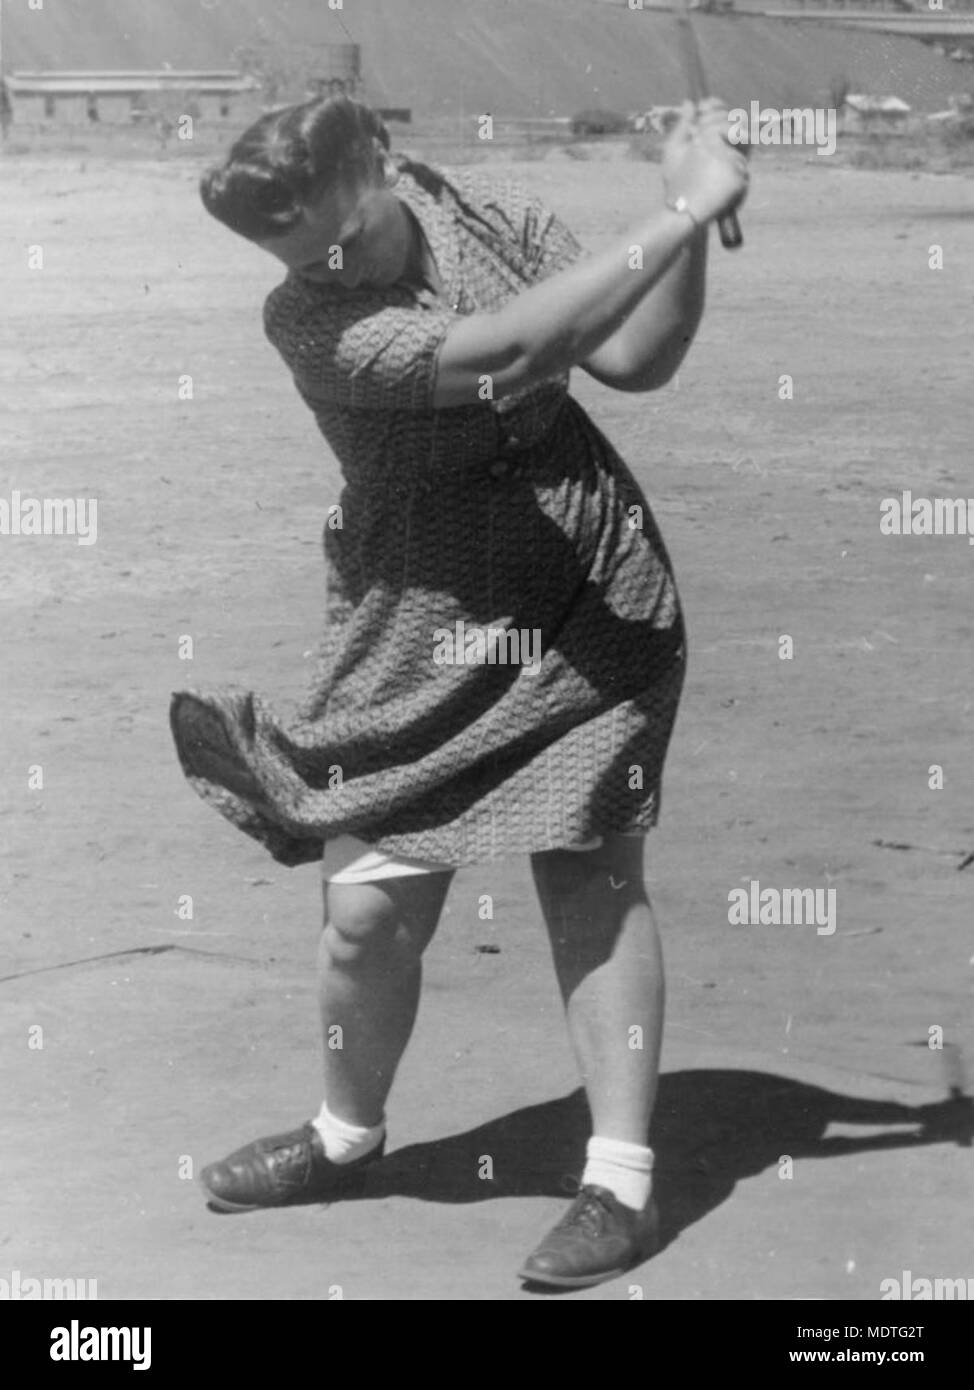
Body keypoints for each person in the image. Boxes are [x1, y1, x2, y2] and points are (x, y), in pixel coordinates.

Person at [171, 94, 748, 1289]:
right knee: (366, 913)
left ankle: (620, 1184)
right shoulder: (313, 323)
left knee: (589, 870)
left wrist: (687, 232)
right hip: (416, 619)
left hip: (586, 588)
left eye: (332, 236)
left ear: (383, 162)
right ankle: (342, 1138)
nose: (321, 269)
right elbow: (511, 355)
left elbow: (636, 360)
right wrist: (680, 205)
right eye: (295, 256)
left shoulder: (484, 213)